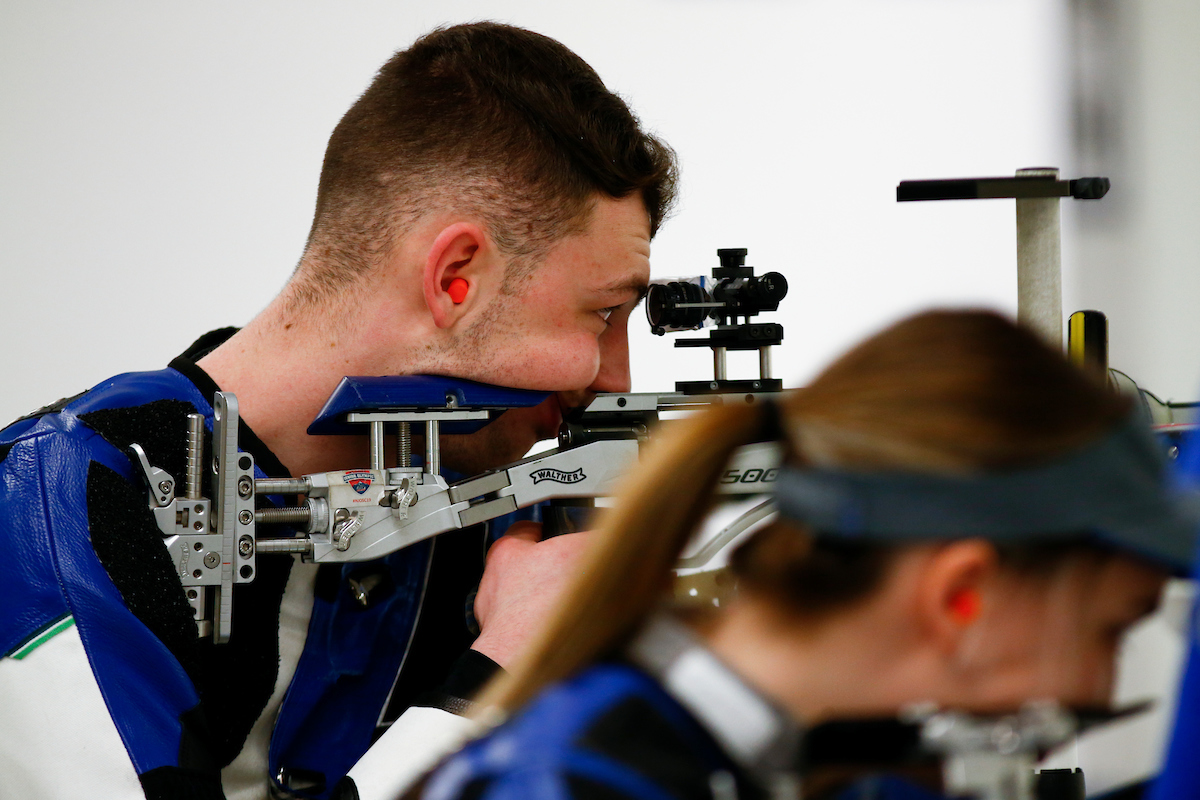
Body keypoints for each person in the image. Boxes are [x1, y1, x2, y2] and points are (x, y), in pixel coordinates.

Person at [0, 22, 676, 800]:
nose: (613, 377)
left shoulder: (485, 526)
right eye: (602, 315)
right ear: (456, 277)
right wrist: (492, 686)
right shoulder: (48, 515)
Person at [413, 310, 1196, 800]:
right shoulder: (575, 784)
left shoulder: (807, 766)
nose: (1103, 684)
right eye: (1112, 631)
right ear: (963, 596)